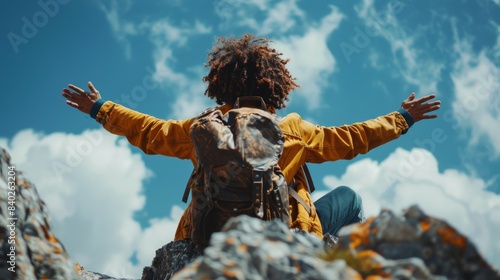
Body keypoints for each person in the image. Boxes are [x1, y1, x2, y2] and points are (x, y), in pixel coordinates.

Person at [61, 34, 440, 240]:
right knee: (351, 200)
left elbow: (148, 130)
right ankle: (323, 257)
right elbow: (352, 139)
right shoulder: (293, 130)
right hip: (283, 234)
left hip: (205, 234)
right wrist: (402, 118)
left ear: (219, 86)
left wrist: (100, 108)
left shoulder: (205, 126)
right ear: (277, 88)